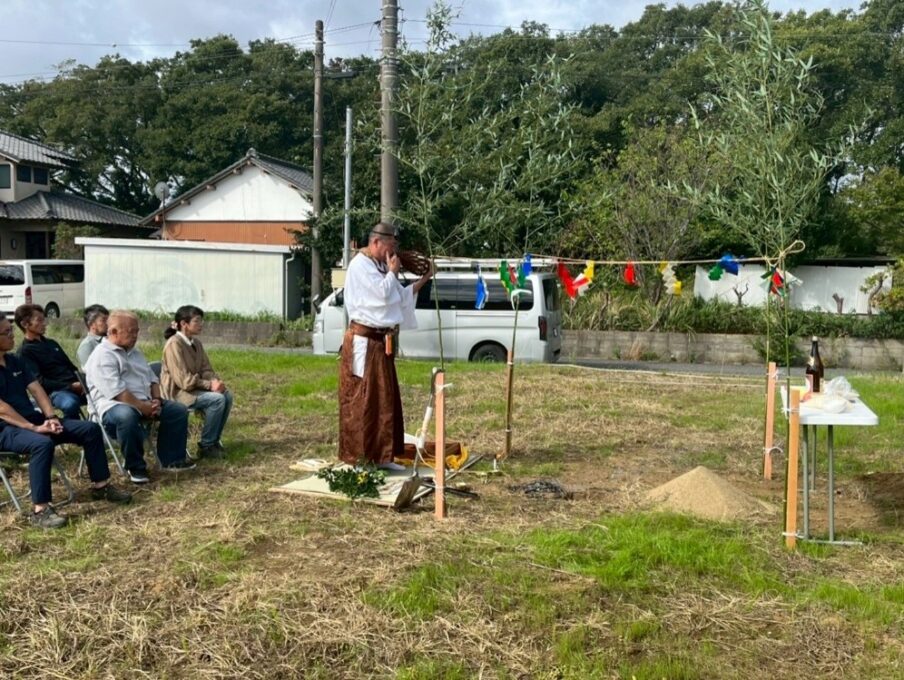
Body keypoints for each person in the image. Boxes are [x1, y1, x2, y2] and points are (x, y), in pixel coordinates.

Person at [0, 315, 131, 529]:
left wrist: (51, 417)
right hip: (7, 429)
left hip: (34, 421)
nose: (11, 335)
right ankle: (40, 510)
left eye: (10, 330)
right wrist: (34, 428)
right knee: (41, 443)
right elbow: (2, 409)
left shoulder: (15, 361)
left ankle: (101, 485)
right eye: (6, 333)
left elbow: (37, 389)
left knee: (89, 429)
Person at [338, 222, 433, 468]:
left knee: (384, 399)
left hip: (380, 342)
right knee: (362, 399)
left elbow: (398, 297)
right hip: (363, 342)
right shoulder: (360, 265)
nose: (394, 251)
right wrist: (392, 273)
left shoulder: (380, 265)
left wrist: (424, 278)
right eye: (391, 244)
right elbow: (380, 295)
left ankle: (383, 456)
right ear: (376, 242)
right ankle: (360, 457)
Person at [84, 310, 194, 484]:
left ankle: (171, 460)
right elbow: (117, 392)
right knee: (126, 416)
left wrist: (156, 400)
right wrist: (143, 407)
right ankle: (135, 467)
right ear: (113, 332)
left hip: (145, 401)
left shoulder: (135, 353)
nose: (135, 335)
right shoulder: (102, 356)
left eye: (137, 331)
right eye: (131, 331)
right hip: (114, 405)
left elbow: (152, 379)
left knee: (177, 410)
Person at [160, 305, 233, 459]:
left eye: (201, 321)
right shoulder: (174, 344)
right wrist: (208, 385)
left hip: (193, 389)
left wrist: (214, 381)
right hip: (177, 393)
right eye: (197, 321)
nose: (201, 324)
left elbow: (206, 368)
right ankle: (206, 445)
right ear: (183, 323)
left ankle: (214, 440)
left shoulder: (196, 344)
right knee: (217, 400)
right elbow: (183, 381)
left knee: (226, 395)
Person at [14, 304, 85, 420]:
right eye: (39, 320)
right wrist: (70, 386)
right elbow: (39, 382)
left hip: (76, 385)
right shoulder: (24, 352)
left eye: (44, 319)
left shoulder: (52, 343)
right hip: (56, 392)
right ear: (25, 324)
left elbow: (71, 367)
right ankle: (73, 432)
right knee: (70, 404)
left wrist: (82, 381)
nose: (44, 323)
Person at [77, 304, 109, 370]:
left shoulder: (111, 340)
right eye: (103, 320)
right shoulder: (87, 345)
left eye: (108, 320)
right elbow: (91, 371)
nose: (108, 323)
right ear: (92, 324)